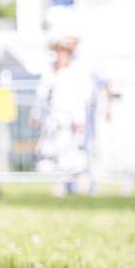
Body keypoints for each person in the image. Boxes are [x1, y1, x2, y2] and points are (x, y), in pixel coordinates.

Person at [36, 35, 102, 196]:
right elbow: (41, 95)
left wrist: (79, 118)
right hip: (53, 119)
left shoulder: (79, 71)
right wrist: (36, 114)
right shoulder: (50, 70)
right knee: (56, 154)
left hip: (73, 119)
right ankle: (62, 187)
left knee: (76, 154)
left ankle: (84, 188)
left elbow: (83, 97)